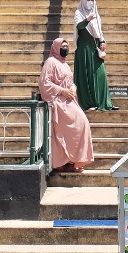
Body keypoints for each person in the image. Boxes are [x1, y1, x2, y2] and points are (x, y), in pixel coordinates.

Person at [39, 37, 94, 174]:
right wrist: (62, 90)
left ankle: (74, 160)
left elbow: (70, 81)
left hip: (70, 101)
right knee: (78, 124)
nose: (65, 49)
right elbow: (44, 83)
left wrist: (73, 87)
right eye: (63, 46)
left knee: (83, 123)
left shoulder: (65, 64)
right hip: (58, 101)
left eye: (67, 46)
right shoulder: (50, 62)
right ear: (56, 47)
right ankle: (63, 161)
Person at [73, 0, 117, 111]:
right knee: (87, 74)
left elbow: (99, 31)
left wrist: (102, 41)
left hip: (95, 47)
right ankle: (89, 102)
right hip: (84, 48)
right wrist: (87, 20)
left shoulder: (96, 14)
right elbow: (79, 27)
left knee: (100, 74)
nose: (90, 2)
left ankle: (104, 102)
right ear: (83, 0)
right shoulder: (79, 13)